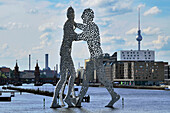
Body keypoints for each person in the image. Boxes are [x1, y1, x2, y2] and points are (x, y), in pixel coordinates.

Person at [74, 8, 120, 108]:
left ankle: (79, 100)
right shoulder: (91, 26)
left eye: (84, 16)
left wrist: (72, 33)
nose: (82, 17)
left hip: (96, 57)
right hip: (95, 56)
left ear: (88, 17)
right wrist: (75, 24)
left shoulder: (92, 27)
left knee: (88, 78)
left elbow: (81, 36)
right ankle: (113, 95)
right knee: (100, 78)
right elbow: (83, 28)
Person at [51, 6, 76, 108]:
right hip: (66, 53)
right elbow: (73, 36)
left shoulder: (69, 23)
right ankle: (67, 98)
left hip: (64, 52)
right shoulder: (68, 24)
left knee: (63, 78)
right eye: (71, 13)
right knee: (73, 74)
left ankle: (54, 101)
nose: (73, 15)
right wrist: (86, 35)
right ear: (69, 15)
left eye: (73, 13)